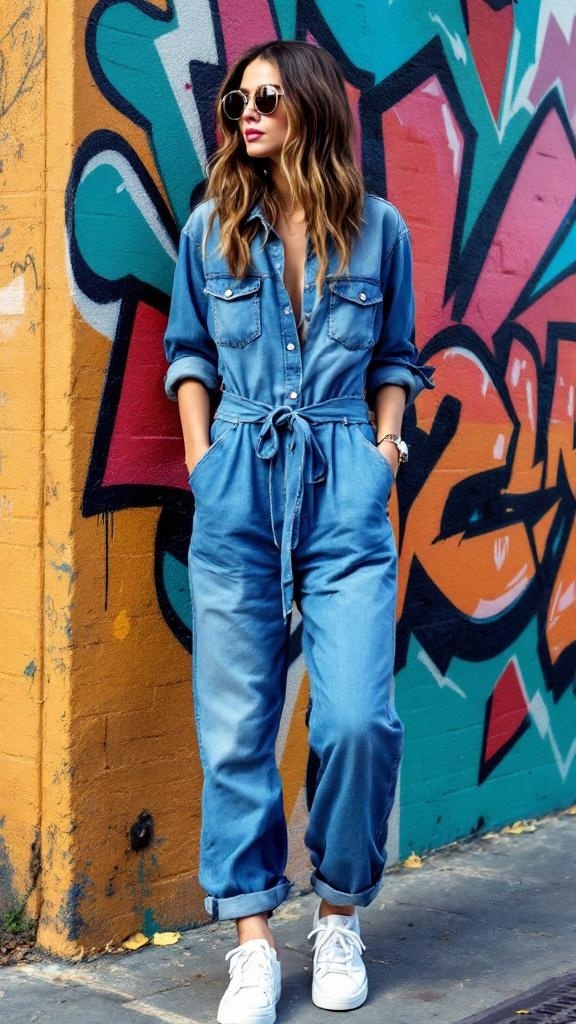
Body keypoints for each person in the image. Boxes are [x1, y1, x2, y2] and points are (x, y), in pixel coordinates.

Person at [164, 39, 433, 1024]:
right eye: (238, 97)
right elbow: (187, 349)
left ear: (312, 106)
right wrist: (202, 458)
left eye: (266, 96)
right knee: (237, 730)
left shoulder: (382, 233)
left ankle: (338, 912)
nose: (246, 110)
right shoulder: (211, 230)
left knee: (358, 717)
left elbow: (397, 353)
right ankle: (250, 942)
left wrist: (386, 444)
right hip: (236, 482)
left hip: (342, 488)